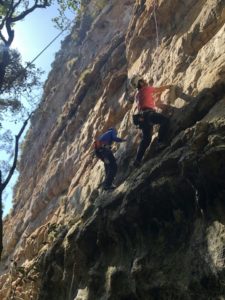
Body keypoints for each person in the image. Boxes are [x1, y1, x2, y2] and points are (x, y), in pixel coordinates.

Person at [130, 75, 172, 167]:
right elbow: (158, 89)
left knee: (146, 139)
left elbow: (147, 100)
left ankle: (137, 160)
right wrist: (169, 86)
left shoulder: (137, 95)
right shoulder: (146, 89)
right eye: (143, 80)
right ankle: (160, 143)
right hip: (148, 114)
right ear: (140, 83)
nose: (145, 81)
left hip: (142, 118)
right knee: (165, 121)